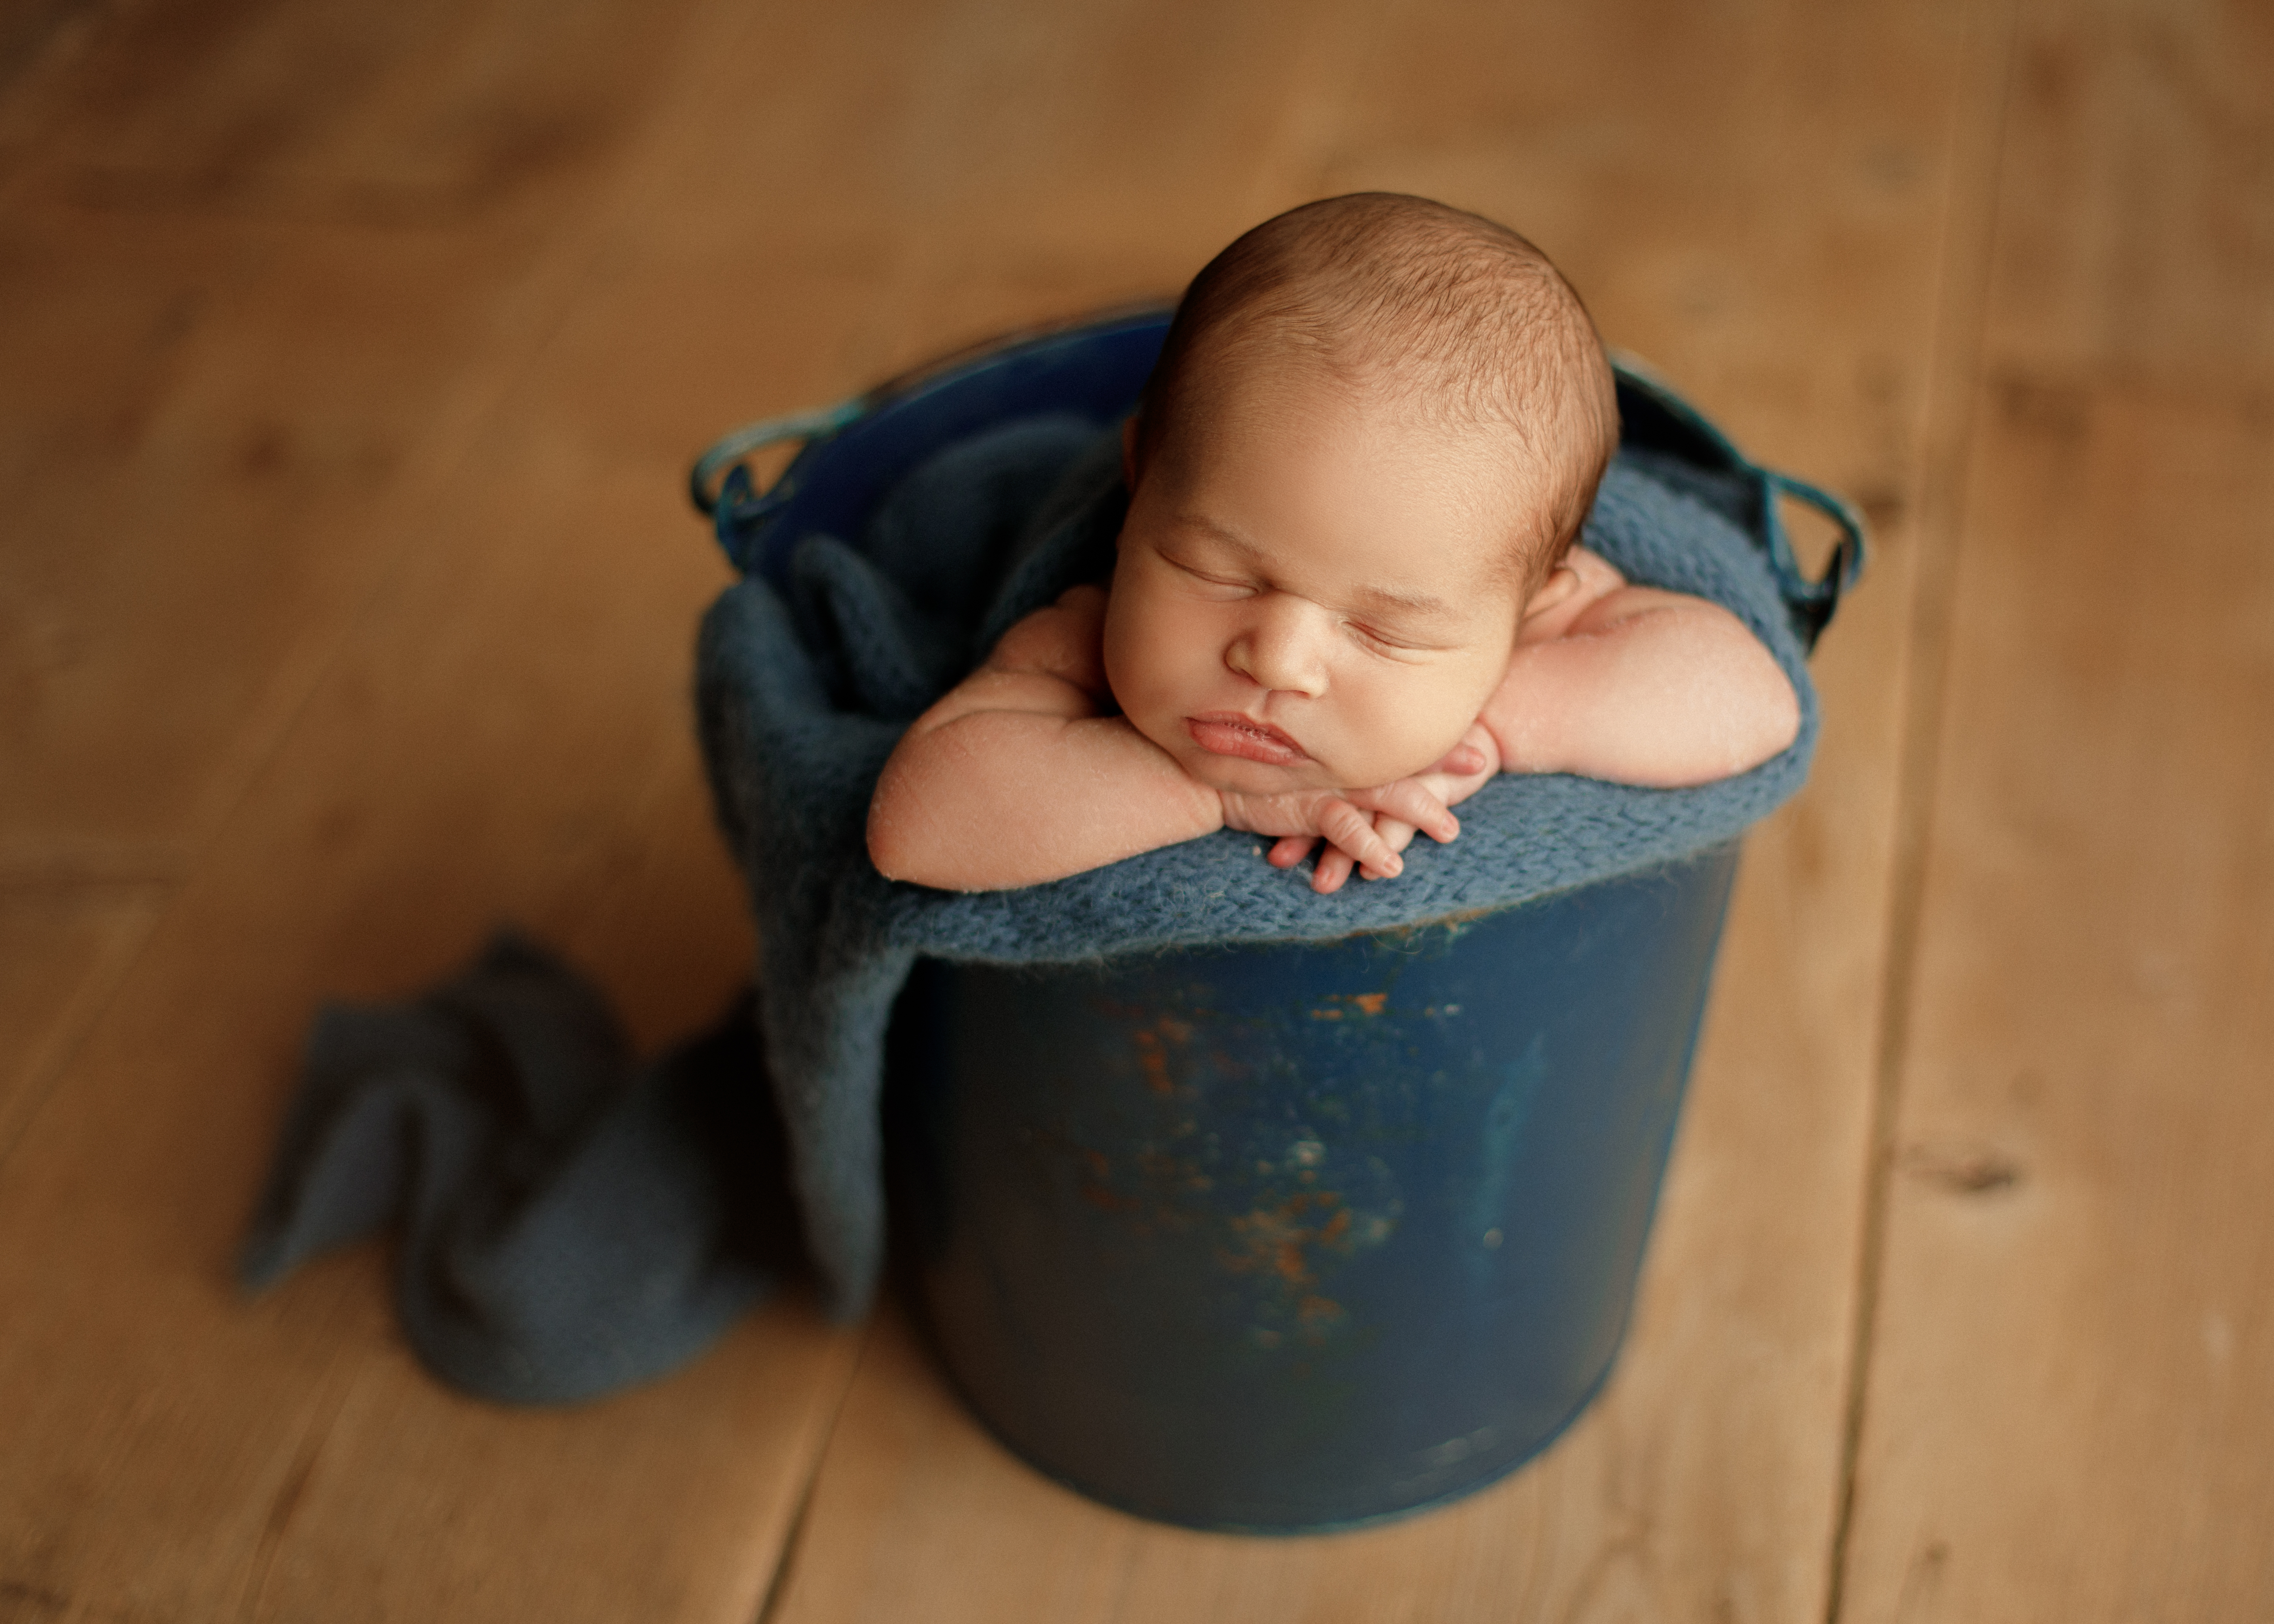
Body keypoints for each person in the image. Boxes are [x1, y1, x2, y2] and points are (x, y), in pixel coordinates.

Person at [866, 193, 1799, 896]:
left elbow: (1755, 701)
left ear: (1531, 607)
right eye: (1216, 570)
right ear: (1139, 485)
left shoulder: (1524, 626)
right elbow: (916, 829)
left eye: (1386, 633)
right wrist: (1215, 798)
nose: (1277, 657)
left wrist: (1480, 724)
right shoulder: (1077, 637)